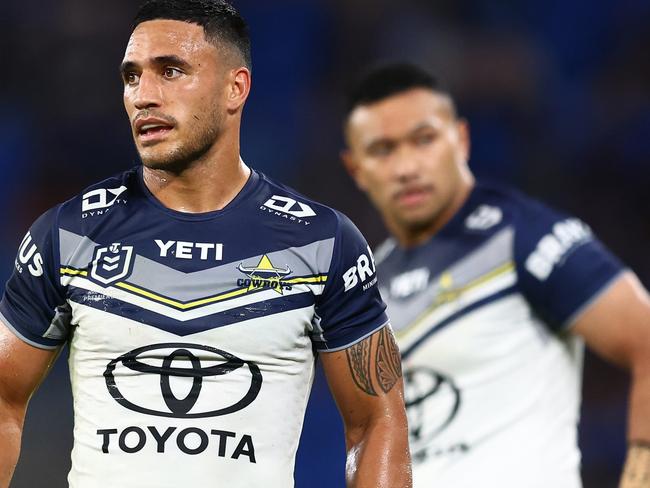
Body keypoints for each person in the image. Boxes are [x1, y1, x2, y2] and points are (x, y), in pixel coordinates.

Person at [0, 2, 413, 487]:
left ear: (235, 87)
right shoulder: (68, 234)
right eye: (131, 77)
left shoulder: (321, 242)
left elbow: (376, 422)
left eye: (170, 71)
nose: (143, 96)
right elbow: (4, 396)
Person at [341, 63, 650, 487]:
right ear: (356, 168)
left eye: (424, 140)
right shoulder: (367, 284)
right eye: (383, 150)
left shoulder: (521, 235)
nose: (406, 167)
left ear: (461, 139)